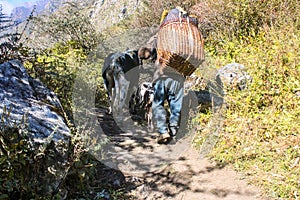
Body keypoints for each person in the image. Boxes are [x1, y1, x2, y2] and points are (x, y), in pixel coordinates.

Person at [152, 6, 191, 144]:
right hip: (178, 76)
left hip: (161, 75)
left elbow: (147, 53)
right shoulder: (187, 37)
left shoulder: (161, 35)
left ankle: (163, 131)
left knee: (158, 104)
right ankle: (174, 132)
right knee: (176, 104)